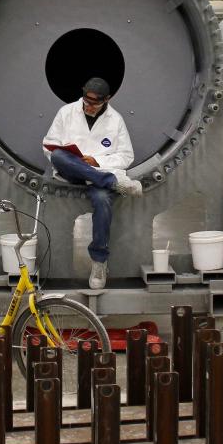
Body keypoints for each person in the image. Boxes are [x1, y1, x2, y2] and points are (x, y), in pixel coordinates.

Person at [42, 77, 142, 289]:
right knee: (59, 156)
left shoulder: (116, 120)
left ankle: (99, 262)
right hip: (73, 172)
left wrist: (97, 161)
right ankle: (113, 182)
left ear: (107, 99)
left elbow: (126, 156)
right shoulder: (66, 112)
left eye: (94, 103)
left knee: (103, 199)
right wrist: (77, 161)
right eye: (86, 101)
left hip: (98, 173)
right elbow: (49, 146)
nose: (88, 106)